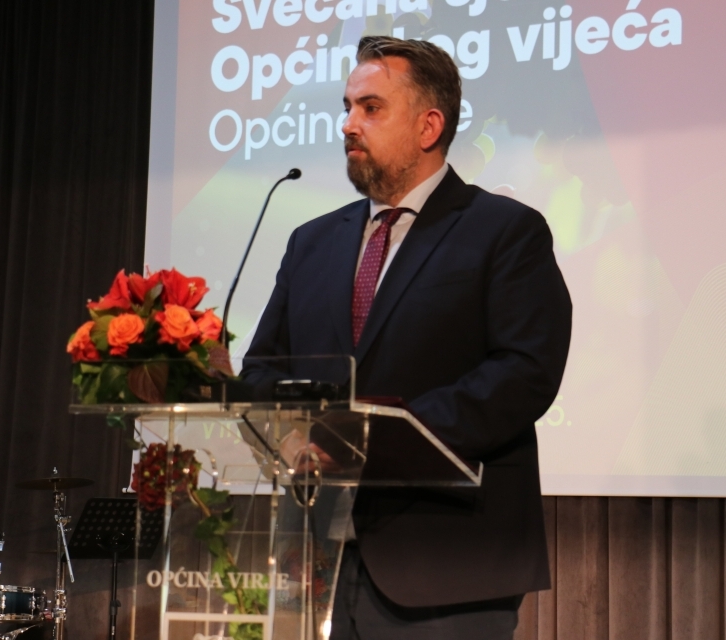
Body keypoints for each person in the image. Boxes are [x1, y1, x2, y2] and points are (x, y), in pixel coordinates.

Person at [241, 36, 571, 640]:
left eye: (371, 108)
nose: (348, 124)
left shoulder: (504, 231)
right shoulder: (311, 242)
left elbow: (525, 372)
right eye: (347, 107)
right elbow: (262, 368)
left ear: (428, 126)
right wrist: (287, 436)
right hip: (315, 563)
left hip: (448, 565)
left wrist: (372, 441)